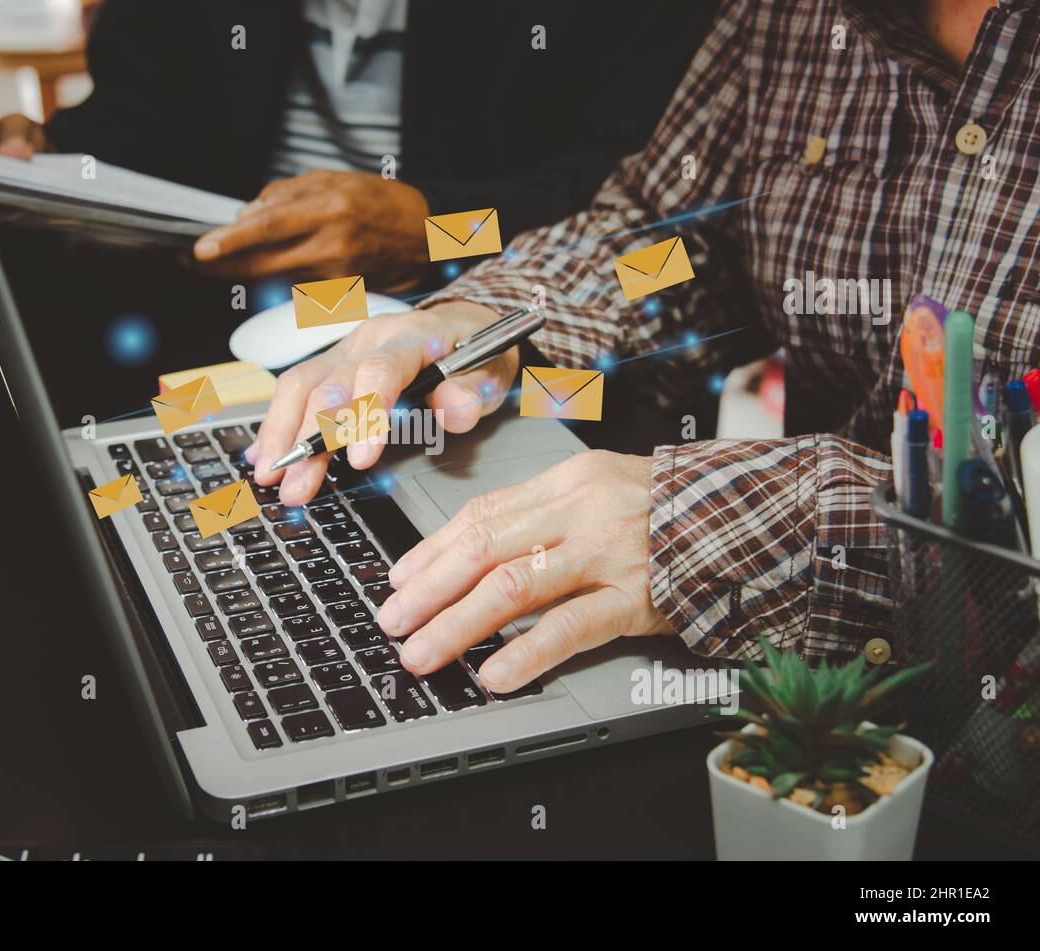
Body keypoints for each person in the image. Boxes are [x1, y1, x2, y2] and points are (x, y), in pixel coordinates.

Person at [248, 0, 1040, 692]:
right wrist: (490, 317)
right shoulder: (793, 13)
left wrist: (714, 523)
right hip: (802, 715)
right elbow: (676, 242)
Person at [0, 0, 715, 289]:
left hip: (488, 317)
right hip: (224, 306)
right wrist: (55, 151)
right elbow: (153, 117)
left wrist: (435, 228)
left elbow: (654, 227)